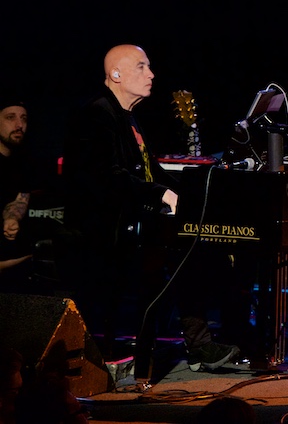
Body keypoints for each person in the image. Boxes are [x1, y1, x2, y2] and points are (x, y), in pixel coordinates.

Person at [61, 44, 238, 384]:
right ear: (116, 75)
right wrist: (161, 195)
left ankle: (202, 345)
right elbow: (105, 179)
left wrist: (198, 193)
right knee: (188, 255)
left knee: (198, 251)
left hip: (134, 223)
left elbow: (151, 171)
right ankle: (168, 353)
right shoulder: (96, 115)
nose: (151, 74)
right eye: (141, 67)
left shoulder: (126, 116)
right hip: (107, 231)